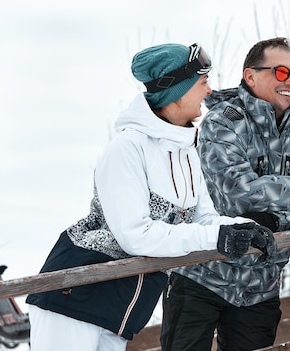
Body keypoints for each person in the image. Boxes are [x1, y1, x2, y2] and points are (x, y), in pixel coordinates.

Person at [25, 43, 276, 351]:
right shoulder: (127, 148)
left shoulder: (186, 151)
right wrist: (215, 236)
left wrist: (243, 228)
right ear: (177, 91)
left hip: (121, 307)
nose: (209, 92)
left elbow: (204, 219)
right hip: (75, 296)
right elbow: (136, 235)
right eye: (201, 83)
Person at [160, 37, 290, 351]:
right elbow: (238, 193)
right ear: (251, 76)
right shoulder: (222, 123)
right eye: (281, 72)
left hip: (262, 282)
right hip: (202, 272)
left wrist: (272, 220)